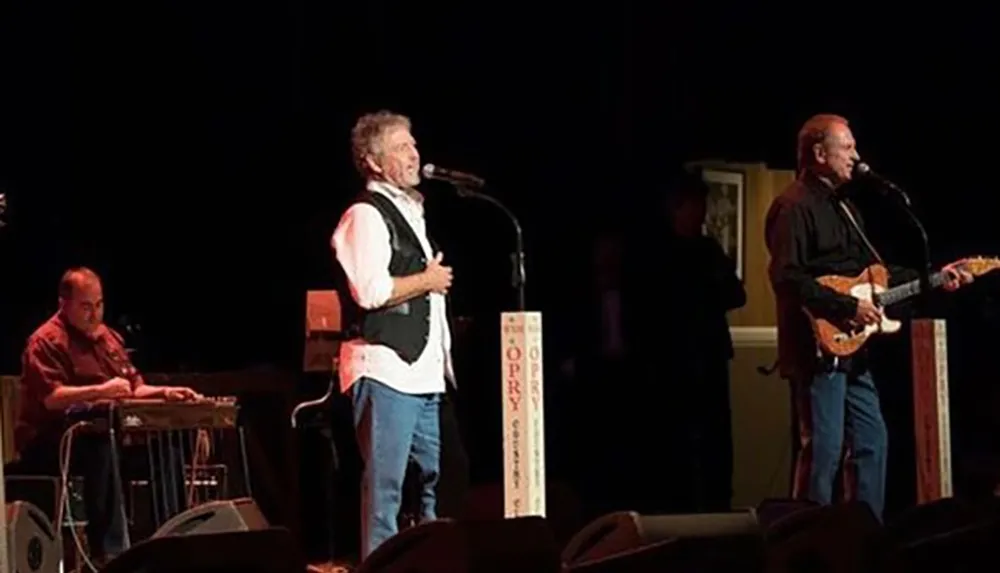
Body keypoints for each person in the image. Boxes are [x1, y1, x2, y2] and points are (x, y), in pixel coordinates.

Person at [764, 114, 973, 520]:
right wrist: (845, 307)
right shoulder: (792, 206)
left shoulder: (847, 210)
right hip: (818, 346)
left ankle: (865, 536)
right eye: (848, 148)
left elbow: (877, 275)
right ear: (820, 154)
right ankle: (807, 539)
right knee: (823, 448)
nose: (857, 157)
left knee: (872, 441)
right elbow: (786, 278)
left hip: (854, 349)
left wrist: (936, 278)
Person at [12, 267, 202, 564]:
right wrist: (101, 390)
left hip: (107, 436)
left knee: (164, 450)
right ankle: (111, 553)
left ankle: (170, 541)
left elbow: (131, 387)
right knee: (100, 444)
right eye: (86, 307)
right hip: (53, 442)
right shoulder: (46, 341)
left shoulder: (108, 339)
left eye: (99, 304)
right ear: (64, 303)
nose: (94, 314)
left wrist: (165, 392)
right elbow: (52, 398)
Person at [331, 110, 454, 559]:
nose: (415, 153)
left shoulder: (411, 211)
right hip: (386, 371)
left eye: (414, 143)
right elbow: (370, 290)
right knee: (385, 489)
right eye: (402, 146)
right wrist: (427, 280)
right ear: (375, 162)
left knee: (429, 486)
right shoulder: (364, 215)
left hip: (423, 375)